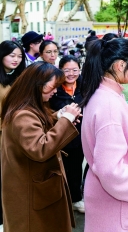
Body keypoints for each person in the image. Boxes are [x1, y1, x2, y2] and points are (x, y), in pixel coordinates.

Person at [80, 38, 128, 231]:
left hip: (107, 199)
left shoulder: (101, 94)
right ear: (120, 65)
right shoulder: (109, 105)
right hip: (118, 206)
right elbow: (110, 170)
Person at [1, 62, 81, 232]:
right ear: (37, 86)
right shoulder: (22, 114)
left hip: (33, 187)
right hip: (31, 192)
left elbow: (36, 129)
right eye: (52, 87)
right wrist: (66, 119)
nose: (55, 91)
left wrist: (57, 117)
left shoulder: (25, 107)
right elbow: (40, 148)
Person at [49, 55, 85, 214]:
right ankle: (59, 201)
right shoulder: (53, 88)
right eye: (67, 70)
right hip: (58, 137)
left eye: (75, 70)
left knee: (76, 168)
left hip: (80, 136)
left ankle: (76, 199)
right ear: (60, 70)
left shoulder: (85, 85)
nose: (71, 74)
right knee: (58, 170)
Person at [0, 40, 26, 230]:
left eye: (19, 56)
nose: (16, 59)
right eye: (12, 55)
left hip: (15, 134)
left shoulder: (19, 78)